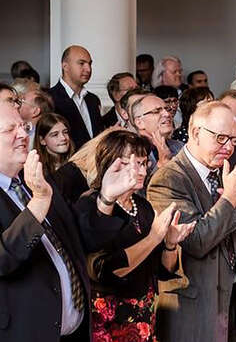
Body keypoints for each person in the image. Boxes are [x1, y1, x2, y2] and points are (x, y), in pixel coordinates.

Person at [0, 101, 138, 342]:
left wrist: (106, 198)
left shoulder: (35, 179)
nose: (23, 134)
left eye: (23, 126)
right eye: (9, 129)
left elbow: (79, 240)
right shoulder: (38, 189)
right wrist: (38, 205)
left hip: (72, 330)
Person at [147, 100, 236, 342]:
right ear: (195, 132)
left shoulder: (226, 173)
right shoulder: (168, 179)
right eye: (221, 138)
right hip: (197, 308)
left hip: (235, 300)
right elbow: (196, 242)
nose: (229, 148)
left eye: (233, 139)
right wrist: (231, 197)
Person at [75, 130, 196, 342]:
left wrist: (169, 244)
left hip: (143, 313)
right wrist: (154, 237)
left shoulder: (143, 206)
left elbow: (162, 271)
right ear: (110, 164)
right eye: (131, 164)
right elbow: (108, 270)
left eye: (142, 163)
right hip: (107, 318)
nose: (140, 171)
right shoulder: (90, 204)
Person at [50, 45, 103, 149]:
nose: (88, 69)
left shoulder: (93, 99)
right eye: (81, 63)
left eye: (90, 64)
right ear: (65, 66)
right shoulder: (50, 98)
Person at [128, 93, 184, 178]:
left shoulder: (179, 147)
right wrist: (162, 164)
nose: (167, 114)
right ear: (139, 122)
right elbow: (138, 189)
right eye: (157, 111)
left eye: (167, 109)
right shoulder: (130, 152)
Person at [33, 113, 80, 198]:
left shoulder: (77, 162)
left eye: (65, 132)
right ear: (42, 140)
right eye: (55, 135)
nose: (63, 138)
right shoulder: (38, 171)